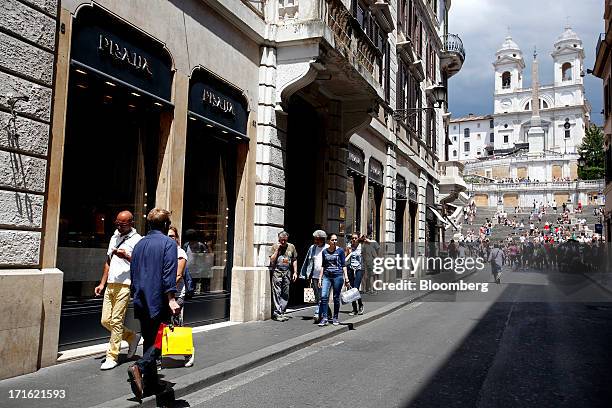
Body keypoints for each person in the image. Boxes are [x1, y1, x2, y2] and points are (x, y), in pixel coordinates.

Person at [127, 208, 181, 401]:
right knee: (163, 338)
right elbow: (168, 274)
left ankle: (150, 383)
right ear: (166, 225)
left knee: (150, 339)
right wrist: (171, 299)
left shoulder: (140, 243)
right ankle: (139, 368)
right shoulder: (168, 243)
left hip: (141, 298)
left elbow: (132, 271)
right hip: (158, 299)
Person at [94, 210, 142, 370]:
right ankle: (131, 337)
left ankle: (112, 356)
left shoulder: (138, 240)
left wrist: (127, 256)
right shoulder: (114, 237)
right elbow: (108, 261)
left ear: (131, 223)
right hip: (111, 283)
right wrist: (102, 283)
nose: (119, 226)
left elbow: (141, 263)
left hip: (125, 284)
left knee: (116, 321)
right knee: (105, 320)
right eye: (117, 223)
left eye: (123, 224)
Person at [168, 226, 194, 367]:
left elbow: (178, 276)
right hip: (164, 295)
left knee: (176, 325)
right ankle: (157, 359)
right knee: (162, 326)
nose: (169, 238)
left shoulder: (180, 252)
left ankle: (187, 353)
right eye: (167, 236)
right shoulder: (163, 251)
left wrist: (164, 290)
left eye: (172, 236)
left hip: (177, 294)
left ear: (177, 238)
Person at [299, 230, 331, 323]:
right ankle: (328, 313)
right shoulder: (312, 248)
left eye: (317, 239)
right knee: (318, 297)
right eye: (315, 239)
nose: (315, 241)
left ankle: (317, 313)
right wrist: (306, 274)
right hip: (314, 276)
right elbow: (307, 261)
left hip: (326, 276)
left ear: (322, 239)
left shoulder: (328, 248)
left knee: (323, 296)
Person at [317, 234, 349, 326]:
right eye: (333, 240)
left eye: (336, 240)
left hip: (337, 276)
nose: (334, 242)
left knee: (336, 297)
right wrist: (320, 278)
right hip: (326, 276)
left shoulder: (340, 251)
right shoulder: (324, 252)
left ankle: (335, 317)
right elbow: (323, 266)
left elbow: (343, 265)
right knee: (323, 296)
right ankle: (325, 318)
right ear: (329, 241)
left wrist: (346, 278)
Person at [269, 231, 298, 321]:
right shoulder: (274, 246)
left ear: (287, 239)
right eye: (281, 240)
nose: (283, 242)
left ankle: (282, 311)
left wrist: (295, 272)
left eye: (284, 240)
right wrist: (277, 250)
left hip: (287, 272)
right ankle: (277, 313)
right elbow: (272, 260)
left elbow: (294, 259)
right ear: (279, 239)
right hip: (277, 272)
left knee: (285, 293)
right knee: (277, 292)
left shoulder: (291, 246)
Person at [345, 233, 365, 316]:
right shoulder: (349, 246)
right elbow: (345, 258)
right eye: (352, 238)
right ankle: (354, 309)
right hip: (350, 268)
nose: (353, 239)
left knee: (355, 289)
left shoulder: (362, 247)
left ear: (358, 239)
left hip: (359, 269)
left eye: (355, 238)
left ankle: (360, 304)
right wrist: (348, 251)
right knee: (351, 289)